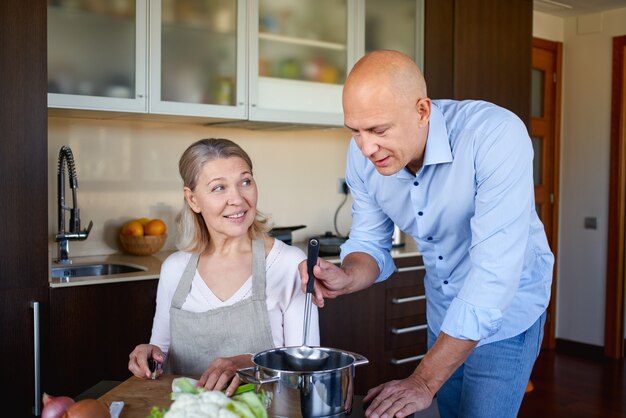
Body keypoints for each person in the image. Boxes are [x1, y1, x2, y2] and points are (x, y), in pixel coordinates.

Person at [299, 50, 554, 418]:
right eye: (355, 131)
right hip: (444, 313)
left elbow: (493, 279)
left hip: (508, 314)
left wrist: (423, 381)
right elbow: (370, 243)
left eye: (379, 130)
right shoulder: (363, 157)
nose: (366, 147)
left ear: (422, 111)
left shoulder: (494, 136)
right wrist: (346, 276)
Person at [129, 138, 319, 396]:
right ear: (193, 199)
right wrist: (147, 354)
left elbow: (308, 370)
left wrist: (252, 363)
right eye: (219, 188)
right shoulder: (175, 269)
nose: (238, 199)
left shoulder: (288, 264)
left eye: (245, 182)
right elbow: (159, 353)